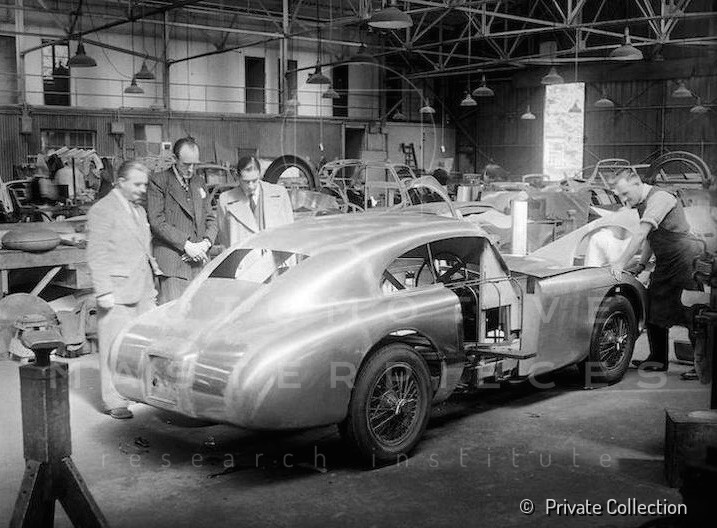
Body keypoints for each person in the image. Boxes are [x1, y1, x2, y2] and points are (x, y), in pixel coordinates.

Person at [608, 169, 703, 376]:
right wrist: (641, 264)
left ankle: (702, 366)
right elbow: (652, 237)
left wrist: (620, 263)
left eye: (626, 194)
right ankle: (658, 359)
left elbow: (641, 234)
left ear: (637, 183)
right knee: (654, 307)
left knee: (691, 313)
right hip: (667, 261)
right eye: (620, 196)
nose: (624, 200)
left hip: (685, 259)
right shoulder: (643, 203)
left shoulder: (659, 198)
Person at [87, 160, 160, 419]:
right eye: (137, 184)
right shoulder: (102, 210)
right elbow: (96, 253)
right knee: (112, 347)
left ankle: (134, 391)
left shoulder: (139, 210)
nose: (142, 189)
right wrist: (103, 290)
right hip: (116, 291)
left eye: (145, 185)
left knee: (138, 345)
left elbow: (143, 249)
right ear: (121, 182)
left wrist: (152, 284)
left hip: (142, 288)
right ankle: (114, 400)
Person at [147, 137, 218, 303]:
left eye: (195, 164)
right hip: (173, 266)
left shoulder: (199, 182)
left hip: (200, 262)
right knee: (175, 315)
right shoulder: (159, 181)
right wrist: (187, 246)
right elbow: (157, 222)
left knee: (199, 314)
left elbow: (211, 219)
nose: (191, 169)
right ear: (174, 159)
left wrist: (205, 244)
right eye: (186, 164)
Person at [216, 155, 294, 247]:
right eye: (246, 181)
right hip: (244, 254)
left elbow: (290, 232)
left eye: (254, 180)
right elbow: (224, 239)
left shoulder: (280, 194)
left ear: (259, 175)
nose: (251, 186)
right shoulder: (225, 200)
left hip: (273, 254)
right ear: (237, 177)